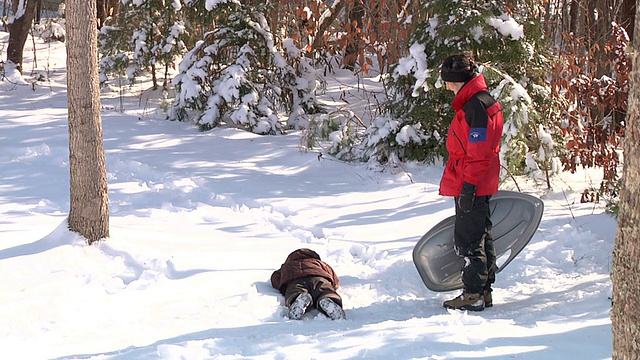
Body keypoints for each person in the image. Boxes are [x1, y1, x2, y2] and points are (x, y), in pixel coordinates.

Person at [438, 53, 503, 311]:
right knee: (481, 234)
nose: (446, 86)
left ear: (458, 80)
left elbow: (479, 152)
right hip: (477, 179)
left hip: (472, 179)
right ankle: (484, 291)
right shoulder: (480, 101)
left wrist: (469, 185)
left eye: (448, 81)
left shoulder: (476, 106)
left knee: (469, 239)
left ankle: (473, 293)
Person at [271, 248, 346, 320]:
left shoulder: (288, 266)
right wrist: (333, 285)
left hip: (296, 280)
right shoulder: (320, 263)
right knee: (325, 289)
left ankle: (299, 299)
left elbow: (276, 278)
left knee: (295, 290)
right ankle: (328, 299)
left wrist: (281, 285)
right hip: (319, 278)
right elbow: (333, 275)